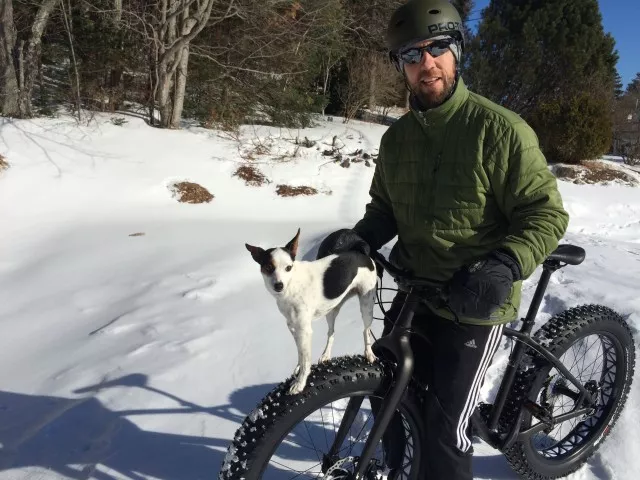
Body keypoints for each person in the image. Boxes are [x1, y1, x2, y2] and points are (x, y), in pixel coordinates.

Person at [316, 0, 570, 478]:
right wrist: (361, 238)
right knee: (387, 396)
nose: (425, 63)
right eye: (411, 55)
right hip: (414, 289)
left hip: (476, 299)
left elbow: (545, 213)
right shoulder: (398, 140)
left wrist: (506, 264)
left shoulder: (501, 131)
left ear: (457, 52)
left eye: (437, 48)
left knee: (446, 428)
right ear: (401, 67)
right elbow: (385, 209)